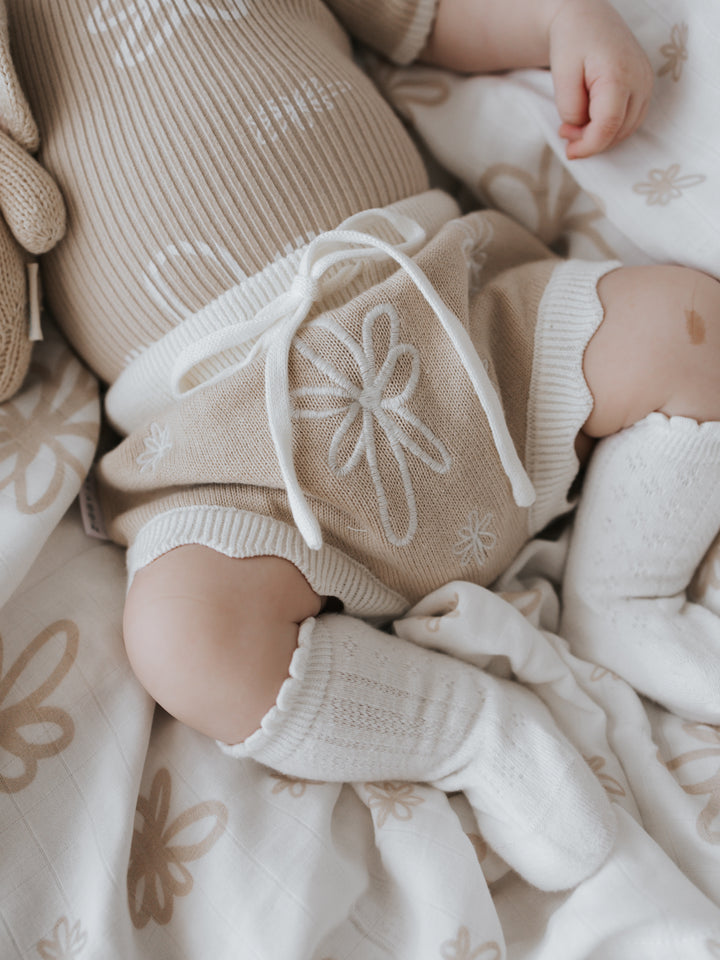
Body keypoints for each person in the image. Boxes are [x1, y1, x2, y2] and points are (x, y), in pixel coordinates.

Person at [5, 0, 720, 891]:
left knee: (686, 323)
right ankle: (468, 733)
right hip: (240, 445)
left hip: (454, 308)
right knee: (181, 634)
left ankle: (624, 596)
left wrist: (558, 23)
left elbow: (425, 13)